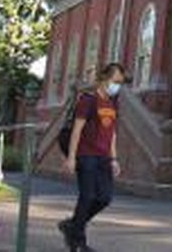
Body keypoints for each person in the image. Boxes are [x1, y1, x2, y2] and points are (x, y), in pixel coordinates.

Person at [58, 62, 129, 252]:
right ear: (104, 78)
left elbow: (111, 133)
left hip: (104, 157)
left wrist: (114, 159)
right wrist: (71, 158)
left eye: (120, 83)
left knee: (104, 198)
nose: (117, 86)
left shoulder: (113, 102)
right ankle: (78, 242)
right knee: (87, 197)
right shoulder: (88, 100)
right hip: (86, 155)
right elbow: (77, 130)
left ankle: (72, 225)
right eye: (115, 81)